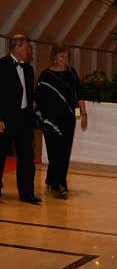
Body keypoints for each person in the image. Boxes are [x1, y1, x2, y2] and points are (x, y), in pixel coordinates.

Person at [34, 44, 87, 199]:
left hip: (68, 120)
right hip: (50, 122)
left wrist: (83, 114)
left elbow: (78, 95)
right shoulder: (45, 75)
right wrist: (36, 119)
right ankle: (56, 182)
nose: (66, 59)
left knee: (64, 152)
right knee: (53, 152)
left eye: (67, 56)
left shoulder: (71, 73)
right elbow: (38, 99)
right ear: (55, 57)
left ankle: (59, 183)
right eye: (63, 56)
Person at [0, 34, 40, 204]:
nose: (29, 51)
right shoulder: (1, 65)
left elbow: (30, 97)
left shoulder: (29, 70)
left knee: (26, 158)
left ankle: (26, 194)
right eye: (26, 47)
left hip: (24, 119)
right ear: (17, 48)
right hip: (5, 119)